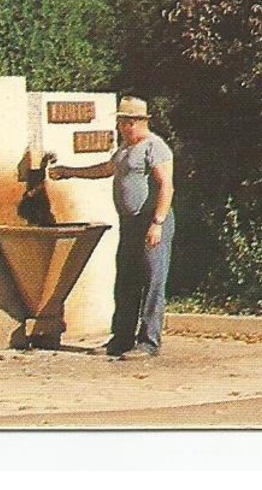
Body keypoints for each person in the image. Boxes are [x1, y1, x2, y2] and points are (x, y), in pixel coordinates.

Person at [48, 95, 174, 359]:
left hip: (150, 221)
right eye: (120, 122)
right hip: (129, 224)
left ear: (135, 123)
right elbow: (106, 169)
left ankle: (149, 342)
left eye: (124, 122)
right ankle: (122, 338)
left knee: (153, 281)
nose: (120, 127)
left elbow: (166, 186)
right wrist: (69, 171)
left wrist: (158, 223)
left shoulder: (155, 147)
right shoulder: (125, 149)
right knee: (126, 280)